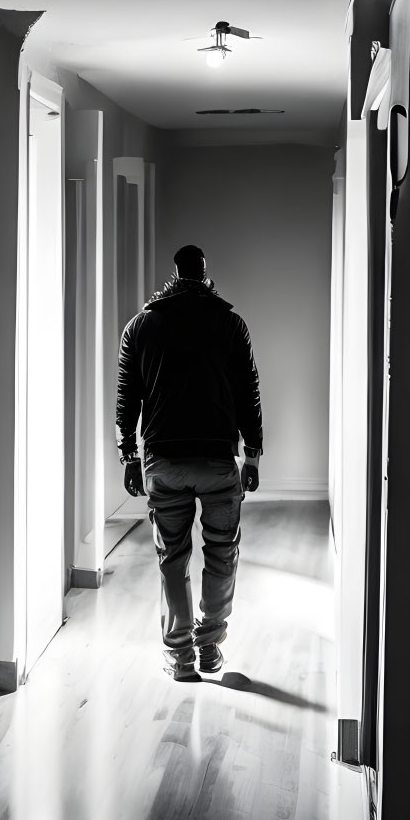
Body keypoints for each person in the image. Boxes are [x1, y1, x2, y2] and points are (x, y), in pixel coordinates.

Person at [116, 244, 264, 681]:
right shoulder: (231, 324)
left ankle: (179, 656)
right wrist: (252, 454)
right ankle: (210, 646)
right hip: (218, 459)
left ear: (174, 274)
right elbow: (248, 393)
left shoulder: (141, 326)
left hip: (163, 460)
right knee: (222, 554)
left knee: (172, 558)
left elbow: (127, 398)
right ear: (205, 273)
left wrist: (128, 454)